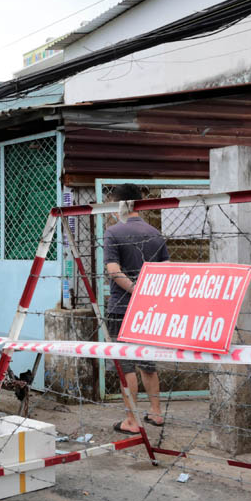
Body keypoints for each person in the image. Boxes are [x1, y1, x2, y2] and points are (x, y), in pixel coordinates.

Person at [103, 183, 170, 435]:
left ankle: (131, 420)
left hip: (122, 307)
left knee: (126, 366)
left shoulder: (113, 232)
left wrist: (135, 290)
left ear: (121, 205)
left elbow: (113, 270)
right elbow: (166, 269)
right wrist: (148, 294)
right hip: (149, 309)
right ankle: (156, 412)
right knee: (148, 362)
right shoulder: (155, 233)